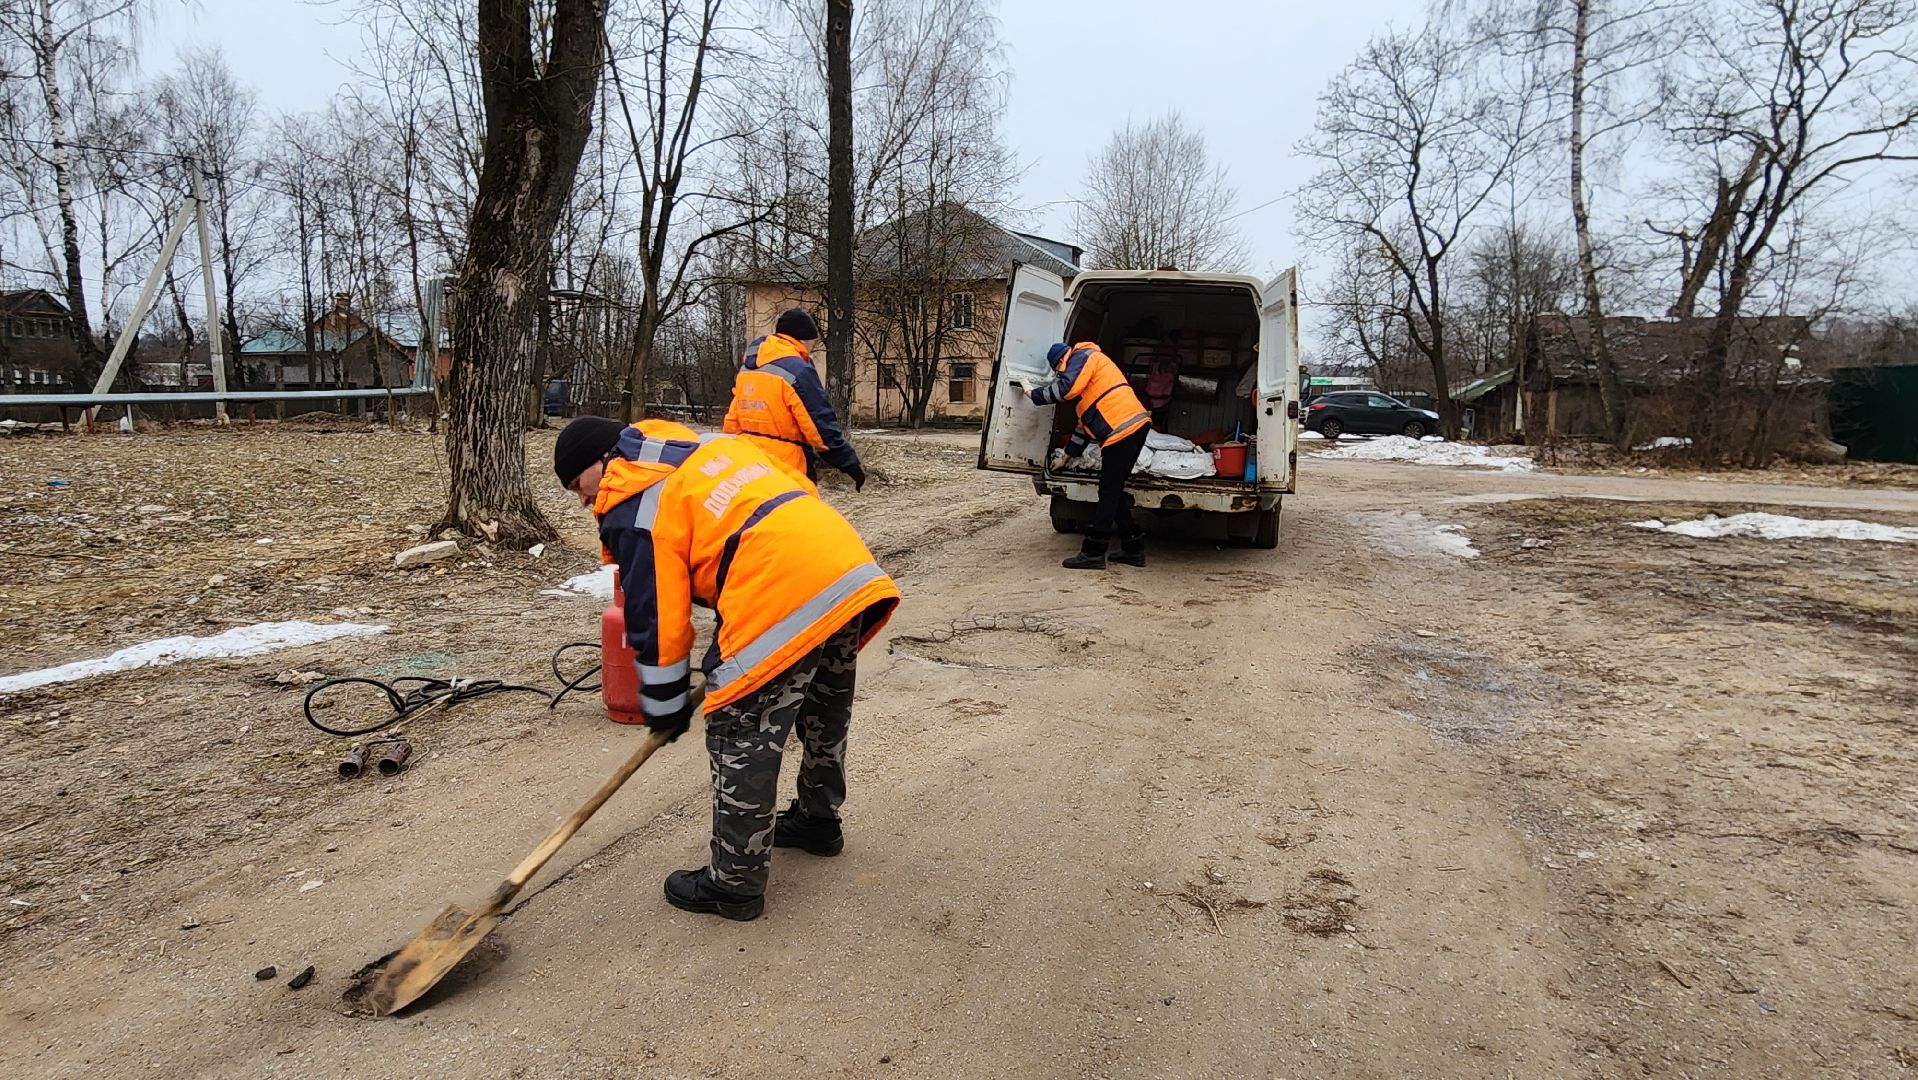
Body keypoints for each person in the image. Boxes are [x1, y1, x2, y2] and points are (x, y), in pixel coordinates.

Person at [553, 415, 901, 921]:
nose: (582, 500)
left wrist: (666, 701)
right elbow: (792, 483)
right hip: (839, 562)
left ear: (602, 461)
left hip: (778, 581)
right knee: (822, 706)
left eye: (577, 485)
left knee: (740, 729)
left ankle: (734, 882)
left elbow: (657, 616)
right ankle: (818, 821)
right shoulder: (702, 448)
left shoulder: (631, 498)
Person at [1026, 341, 1152, 570]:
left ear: (1061, 364)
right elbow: (1083, 429)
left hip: (1124, 430)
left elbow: (1065, 390)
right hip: (1133, 427)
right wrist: (1066, 456)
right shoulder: (1090, 392)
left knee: (1108, 491)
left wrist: (1032, 394)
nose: (1062, 376)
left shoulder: (1084, 356)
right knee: (1113, 490)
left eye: (1059, 372)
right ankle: (1133, 548)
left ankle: (1093, 552)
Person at [724, 307, 866, 492]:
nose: (811, 349)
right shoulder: (797, 370)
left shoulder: (748, 369)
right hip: (787, 467)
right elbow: (819, 426)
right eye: (812, 344)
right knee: (797, 517)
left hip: (751, 464)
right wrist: (849, 462)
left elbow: (733, 420)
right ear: (804, 340)